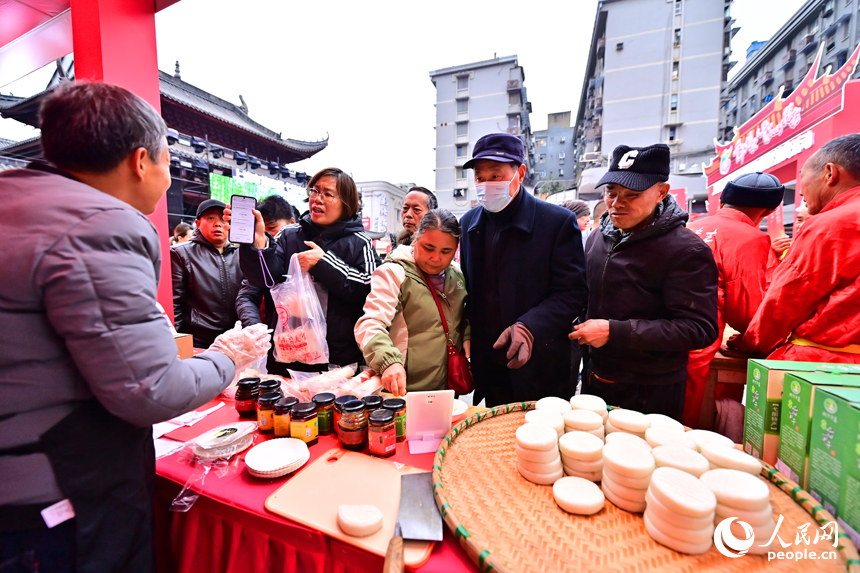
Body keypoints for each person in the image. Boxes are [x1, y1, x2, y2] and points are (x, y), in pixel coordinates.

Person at [0, 82, 269, 572]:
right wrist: (229, 357)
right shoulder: (98, 225)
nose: (168, 179)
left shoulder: (16, 200)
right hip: (57, 499)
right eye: (168, 163)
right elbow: (152, 388)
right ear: (141, 161)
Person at [570, 144, 718, 420]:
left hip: (649, 389)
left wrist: (615, 331)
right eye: (611, 193)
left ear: (662, 192)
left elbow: (700, 328)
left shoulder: (686, 250)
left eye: (632, 195)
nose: (617, 203)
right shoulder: (598, 237)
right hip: (596, 376)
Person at [459, 133, 588, 406]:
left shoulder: (556, 223)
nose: (486, 184)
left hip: (541, 363)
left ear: (520, 172)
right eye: (480, 178)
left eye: (496, 175)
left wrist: (530, 326)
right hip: (491, 364)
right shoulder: (469, 223)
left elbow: (572, 293)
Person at [234, 167, 382, 372]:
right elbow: (265, 280)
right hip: (288, 357)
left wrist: (324, 263)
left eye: (327, 194)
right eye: (314, 191)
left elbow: (370, 290)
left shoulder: (361, 242)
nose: (317, 199)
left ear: (346, 203)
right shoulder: (288, 235)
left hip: (338, 362)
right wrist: (259, 243)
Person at [731, 135, 860, 364]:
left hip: (826, 365)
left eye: (803, 179)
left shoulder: (830, 224)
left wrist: (751, 341)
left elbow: (787, 299)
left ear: (830, 174)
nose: (800, 193)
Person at [682, 172, 783, 428]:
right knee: (691, 419)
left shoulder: (691, 227)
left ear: (724, 200)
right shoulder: (752, 238)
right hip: (699, 338)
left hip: (661, 330)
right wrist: (751, 339)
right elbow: (746, 309)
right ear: (768, 210)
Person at [356, 209, 469, 394]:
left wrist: (466, 335)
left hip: (445, 388)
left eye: (446, 251)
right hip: (405, 389)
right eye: (428, 248)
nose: (436, 258)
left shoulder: (456, 274)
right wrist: (388, 361)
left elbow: (460, 316)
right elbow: (370, 323)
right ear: (416, 238)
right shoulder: (394, 273)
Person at [171, 199, 244, 347]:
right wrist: (178, 344)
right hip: (199, 341)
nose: (218, 224)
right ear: (198, 224)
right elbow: (174, 304)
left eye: (223, 219)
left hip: (237, 341)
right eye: (211, 218)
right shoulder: (180, 254)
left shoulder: (242, 254)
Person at [235, 195, 296, 369]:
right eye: (264, 229)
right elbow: (246, 296)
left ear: (292, 222)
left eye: (272, 228)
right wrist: (258, 331)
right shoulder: (261, 254)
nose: (267, 235)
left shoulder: (304, 246)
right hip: (279, 345)